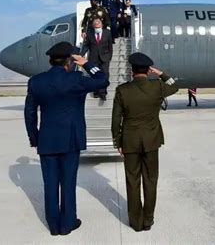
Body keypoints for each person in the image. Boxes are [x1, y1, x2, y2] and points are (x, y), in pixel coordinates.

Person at [24, 41, 109, 236]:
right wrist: (86, 63)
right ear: (69, 62)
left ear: (50, 60)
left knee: (50, 184)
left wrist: (34, 137)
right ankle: (68, 223)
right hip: (71, 140)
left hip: (47, 140)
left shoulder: (36, 81)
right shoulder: (76, 79)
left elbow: (29, 112)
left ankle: (54, 226)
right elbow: (102, 79)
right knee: (68, 183)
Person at [111, 52, 179, 232]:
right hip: (151, 141)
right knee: (150, 180)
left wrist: (117, 142)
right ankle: (148, 220)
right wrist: (161, 74)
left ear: (131, 70)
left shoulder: (122, 90)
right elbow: (174, 86)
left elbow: (115, 119)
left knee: (132, 181)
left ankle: (135, 222)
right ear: (148, 71)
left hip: (130, 141)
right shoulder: (157, 87)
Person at [80, 18, 113, 100]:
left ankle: (103, 92)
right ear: (93, 26)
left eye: (98, 25)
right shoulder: (89, 33)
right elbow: (86, 45)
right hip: (93, 58)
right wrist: (80, 55)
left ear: (101, 25)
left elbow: (110, 46)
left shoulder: (107, 33)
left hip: (105, 57)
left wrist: (109, 57)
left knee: (105, 74)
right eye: (95, 26)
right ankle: (96, 91)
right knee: (94, 74)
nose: (97, 27)